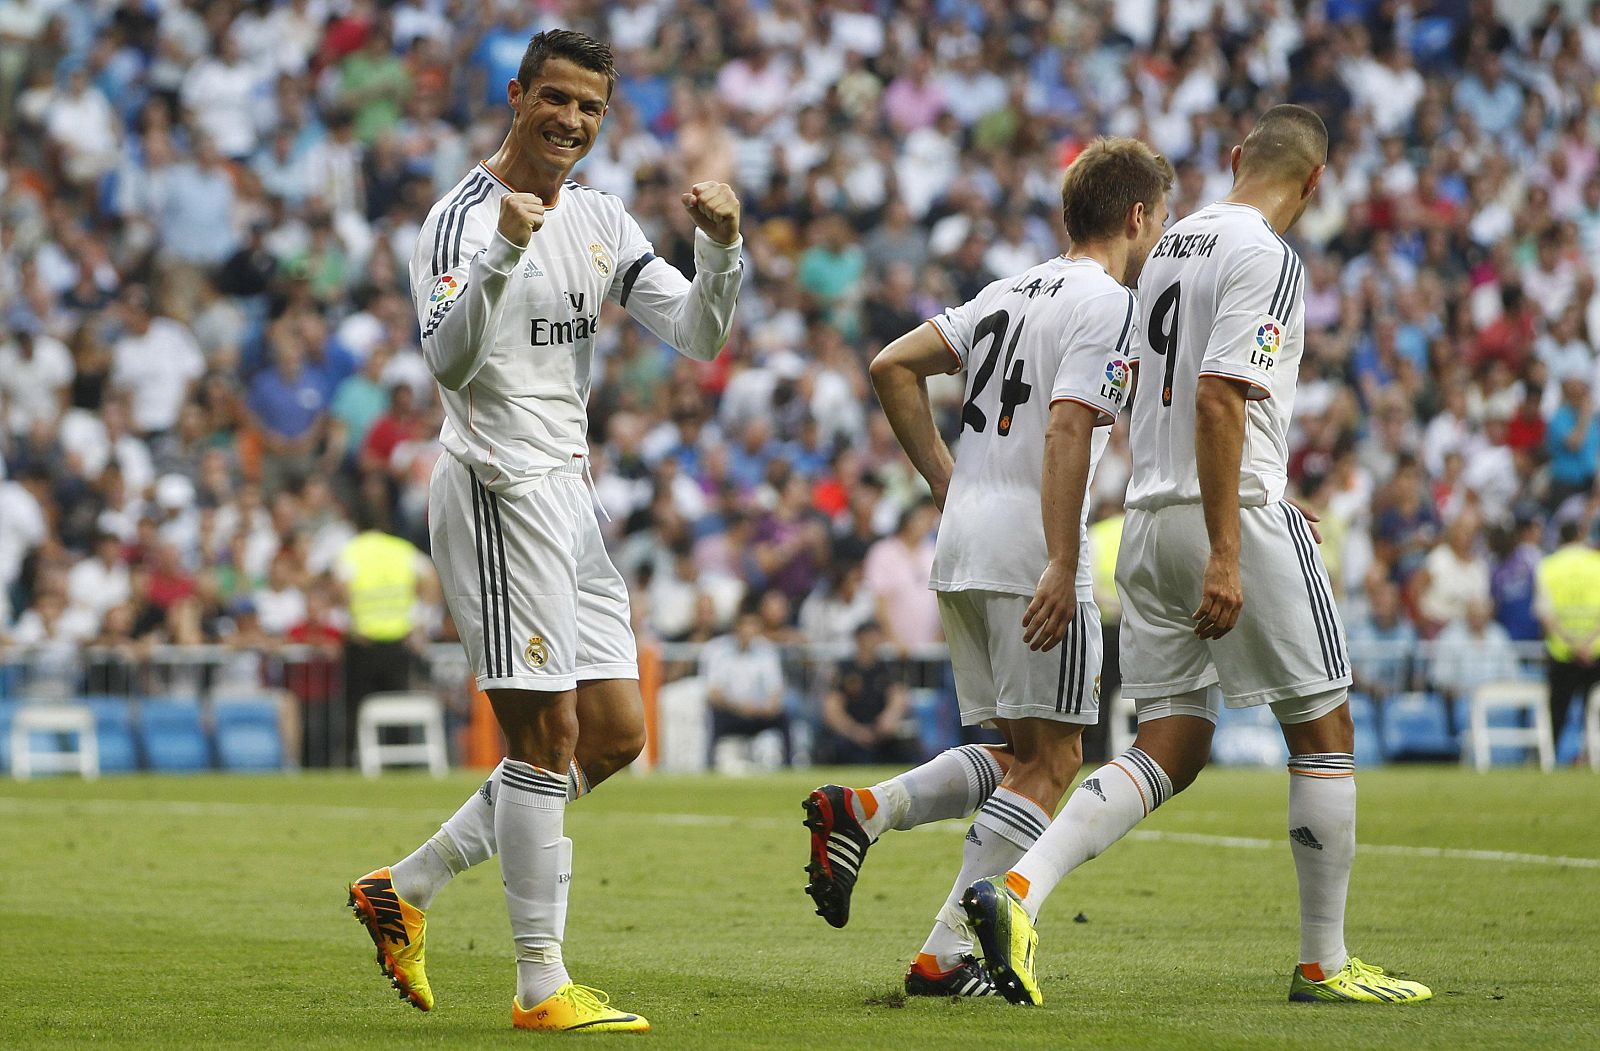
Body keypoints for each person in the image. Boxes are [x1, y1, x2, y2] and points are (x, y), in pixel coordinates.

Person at [963, 106, 1432, 1007]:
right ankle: (1323, 962)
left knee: (1171, 741)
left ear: (1232, 159)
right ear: (1317, 184)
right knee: (1325, 730)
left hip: (1146, 518)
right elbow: (1220, 399)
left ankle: (1017, 889)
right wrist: (1231, 538)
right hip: (1228, 521)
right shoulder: (1269, 254)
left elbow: (1159, 397)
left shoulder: (1168, 248)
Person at [345, 29, 741, 1034]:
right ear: (517, 96)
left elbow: (698, 334)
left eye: (591, 108)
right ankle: (538, 984)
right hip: (493, 486)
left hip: (569, 493)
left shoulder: (603, 217)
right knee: (544, 734)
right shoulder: (461, 218)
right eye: (555, 99)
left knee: (612, 735)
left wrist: (723, 250)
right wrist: (507, 251)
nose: (571, 120)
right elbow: (445, 357)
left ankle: (408, 885)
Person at [802, 137, 1172, 998]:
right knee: (1055, 759)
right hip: (1028, 549)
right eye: (1161, 214)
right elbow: (1071, 428)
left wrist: (945, 479)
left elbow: (891, 365)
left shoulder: (1008, 290)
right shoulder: (1109, 302)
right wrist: (1063, 556)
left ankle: (869, 809)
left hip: (962, 543)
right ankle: (942, 953)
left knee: (1014, 749)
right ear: (1135, 215)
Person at [1535, 521, 1600, 747]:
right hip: (1595, 651)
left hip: (1562, 652)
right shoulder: (1597, 563)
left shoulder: (1548, 566)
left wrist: (1571, 644)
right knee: (1595, 713)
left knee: (1558, 711)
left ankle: (1549, 757)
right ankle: (1589, 755)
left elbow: (1545, 614)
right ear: (1582, 533)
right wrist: (1588, 644)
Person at [817, 620, 913, 765]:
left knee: (905, 748)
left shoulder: (887, 668)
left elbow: (898, 697)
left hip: (880, 732)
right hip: (850, 733)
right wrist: (854, 731)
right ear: (858, 639)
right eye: (868, 637)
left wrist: (888, 720)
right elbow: (832, 709)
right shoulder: (843, 669)